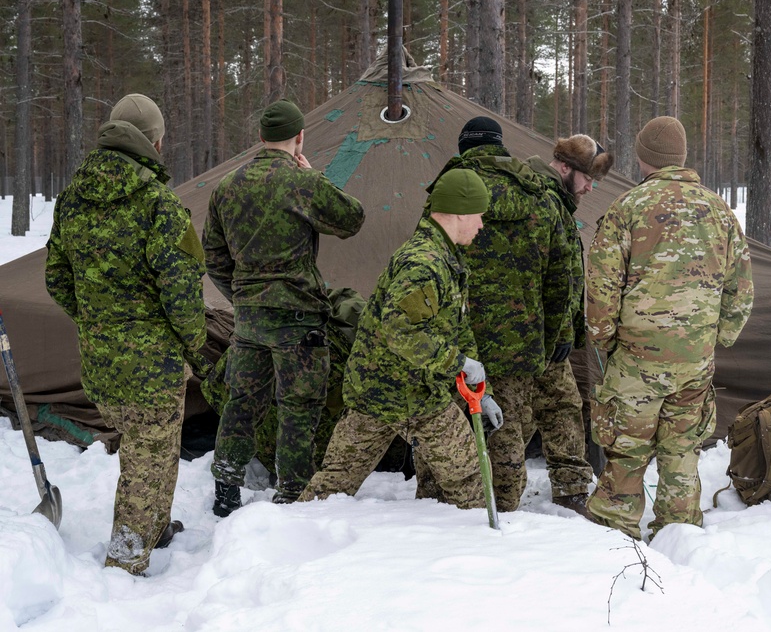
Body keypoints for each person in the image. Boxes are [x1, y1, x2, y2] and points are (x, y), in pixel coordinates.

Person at [45, 93, 207, 575]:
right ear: (155, 141)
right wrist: (194, 346)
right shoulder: (159, 205)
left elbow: (56, 278)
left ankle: (153, 529)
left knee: (148, 451)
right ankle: (124, 563)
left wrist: (98, 321)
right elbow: (182, 296)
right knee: (147, 459)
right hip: (152, 367)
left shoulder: (73, 198)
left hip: (100, 362)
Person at [586, 115, 753, 540]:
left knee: (626, 447)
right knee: (681, 449)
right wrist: (712, 341)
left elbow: (600, 289)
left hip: (636, 359)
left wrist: (606, 342)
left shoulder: (628, 208)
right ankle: (680, 531)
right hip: (694, 361)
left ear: (644, 158)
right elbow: (741, 290)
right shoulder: (719, 212)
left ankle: (613, 531)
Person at [299, 169, 502, 508]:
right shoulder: (423, 263)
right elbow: (400, 330)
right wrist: (458, 363)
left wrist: (483, 393)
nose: (482, 224)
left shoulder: (446, 257)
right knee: (472, 484)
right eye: (478, 215)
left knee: (333, 485)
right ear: (458, 213)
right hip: (409, 394)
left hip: (381, 390)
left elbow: (457, 330)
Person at [203, 98, 365, 515]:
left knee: (241, 403)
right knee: (298, 408)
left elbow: (215, 257)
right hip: (299, 319)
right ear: (300, 137)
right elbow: (352, 219)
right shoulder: (302, 183)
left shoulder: (227, 186)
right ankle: (292, 494)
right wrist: (314, 176)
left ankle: (225, 489)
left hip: (251, 320)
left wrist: (244, 296)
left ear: (259, 138)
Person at [427, 116, 573, 513]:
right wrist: (553, 337)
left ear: (464, 148)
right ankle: (506, 508)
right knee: (505, 427)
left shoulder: (450, 191)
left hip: (460, 337)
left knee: (446, 425)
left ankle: (433, 510)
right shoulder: (540, 195)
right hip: (521, 339)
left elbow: (429, 257)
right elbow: (564, 275)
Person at [524, 134, 613, 515]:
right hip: (529, 336)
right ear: (564, 168)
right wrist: (561, 332)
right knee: (519, 416)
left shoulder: (556, 199)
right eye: (587, 177)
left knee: (563, 405)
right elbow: (548, 277)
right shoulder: (542, 201)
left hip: (547, 335)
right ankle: (499, 494)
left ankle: (574, 489)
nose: (591, 187)